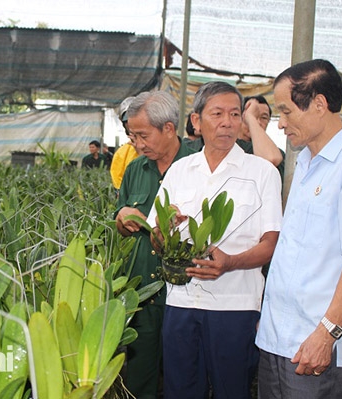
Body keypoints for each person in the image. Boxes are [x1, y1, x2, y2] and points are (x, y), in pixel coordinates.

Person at [255, 59, 342, 399]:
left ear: (318, 104)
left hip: (316, 343)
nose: (280, 123)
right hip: (278, 338)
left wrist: (327, 333)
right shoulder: (306, 164)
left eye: (285, 112)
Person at [147, 81, 283, 399]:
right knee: (180, 390)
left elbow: (271, 242)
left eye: (235, 114)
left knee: (231, 389)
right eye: (217, 113)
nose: (227, 122)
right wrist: (164, 230)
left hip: (235, 305)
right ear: (197, 121)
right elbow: (156, 238)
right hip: (180, 302)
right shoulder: (179, 172)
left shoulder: (262, 173)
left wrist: (231, 262)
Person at [114, 90, 195, 398]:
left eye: (143, 135)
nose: (137, 144)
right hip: (142, 293)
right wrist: (123, 217)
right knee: (139, 377)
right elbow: (120, 227)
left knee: (184, 374)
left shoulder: (198, 166)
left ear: (169, 129)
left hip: (185, 293)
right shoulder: (135, 169)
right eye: (132, 136)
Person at [238, 95, 285, 183]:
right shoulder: (228, 147)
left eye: (264, 118)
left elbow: (272, 158)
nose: (258, 122)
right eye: (253, 115)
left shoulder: (278, 153)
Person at [110, 96, 140, 189]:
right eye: (127, 120)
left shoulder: (158, 147)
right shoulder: (122, 153)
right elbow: (119, 186)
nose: (131, 123)